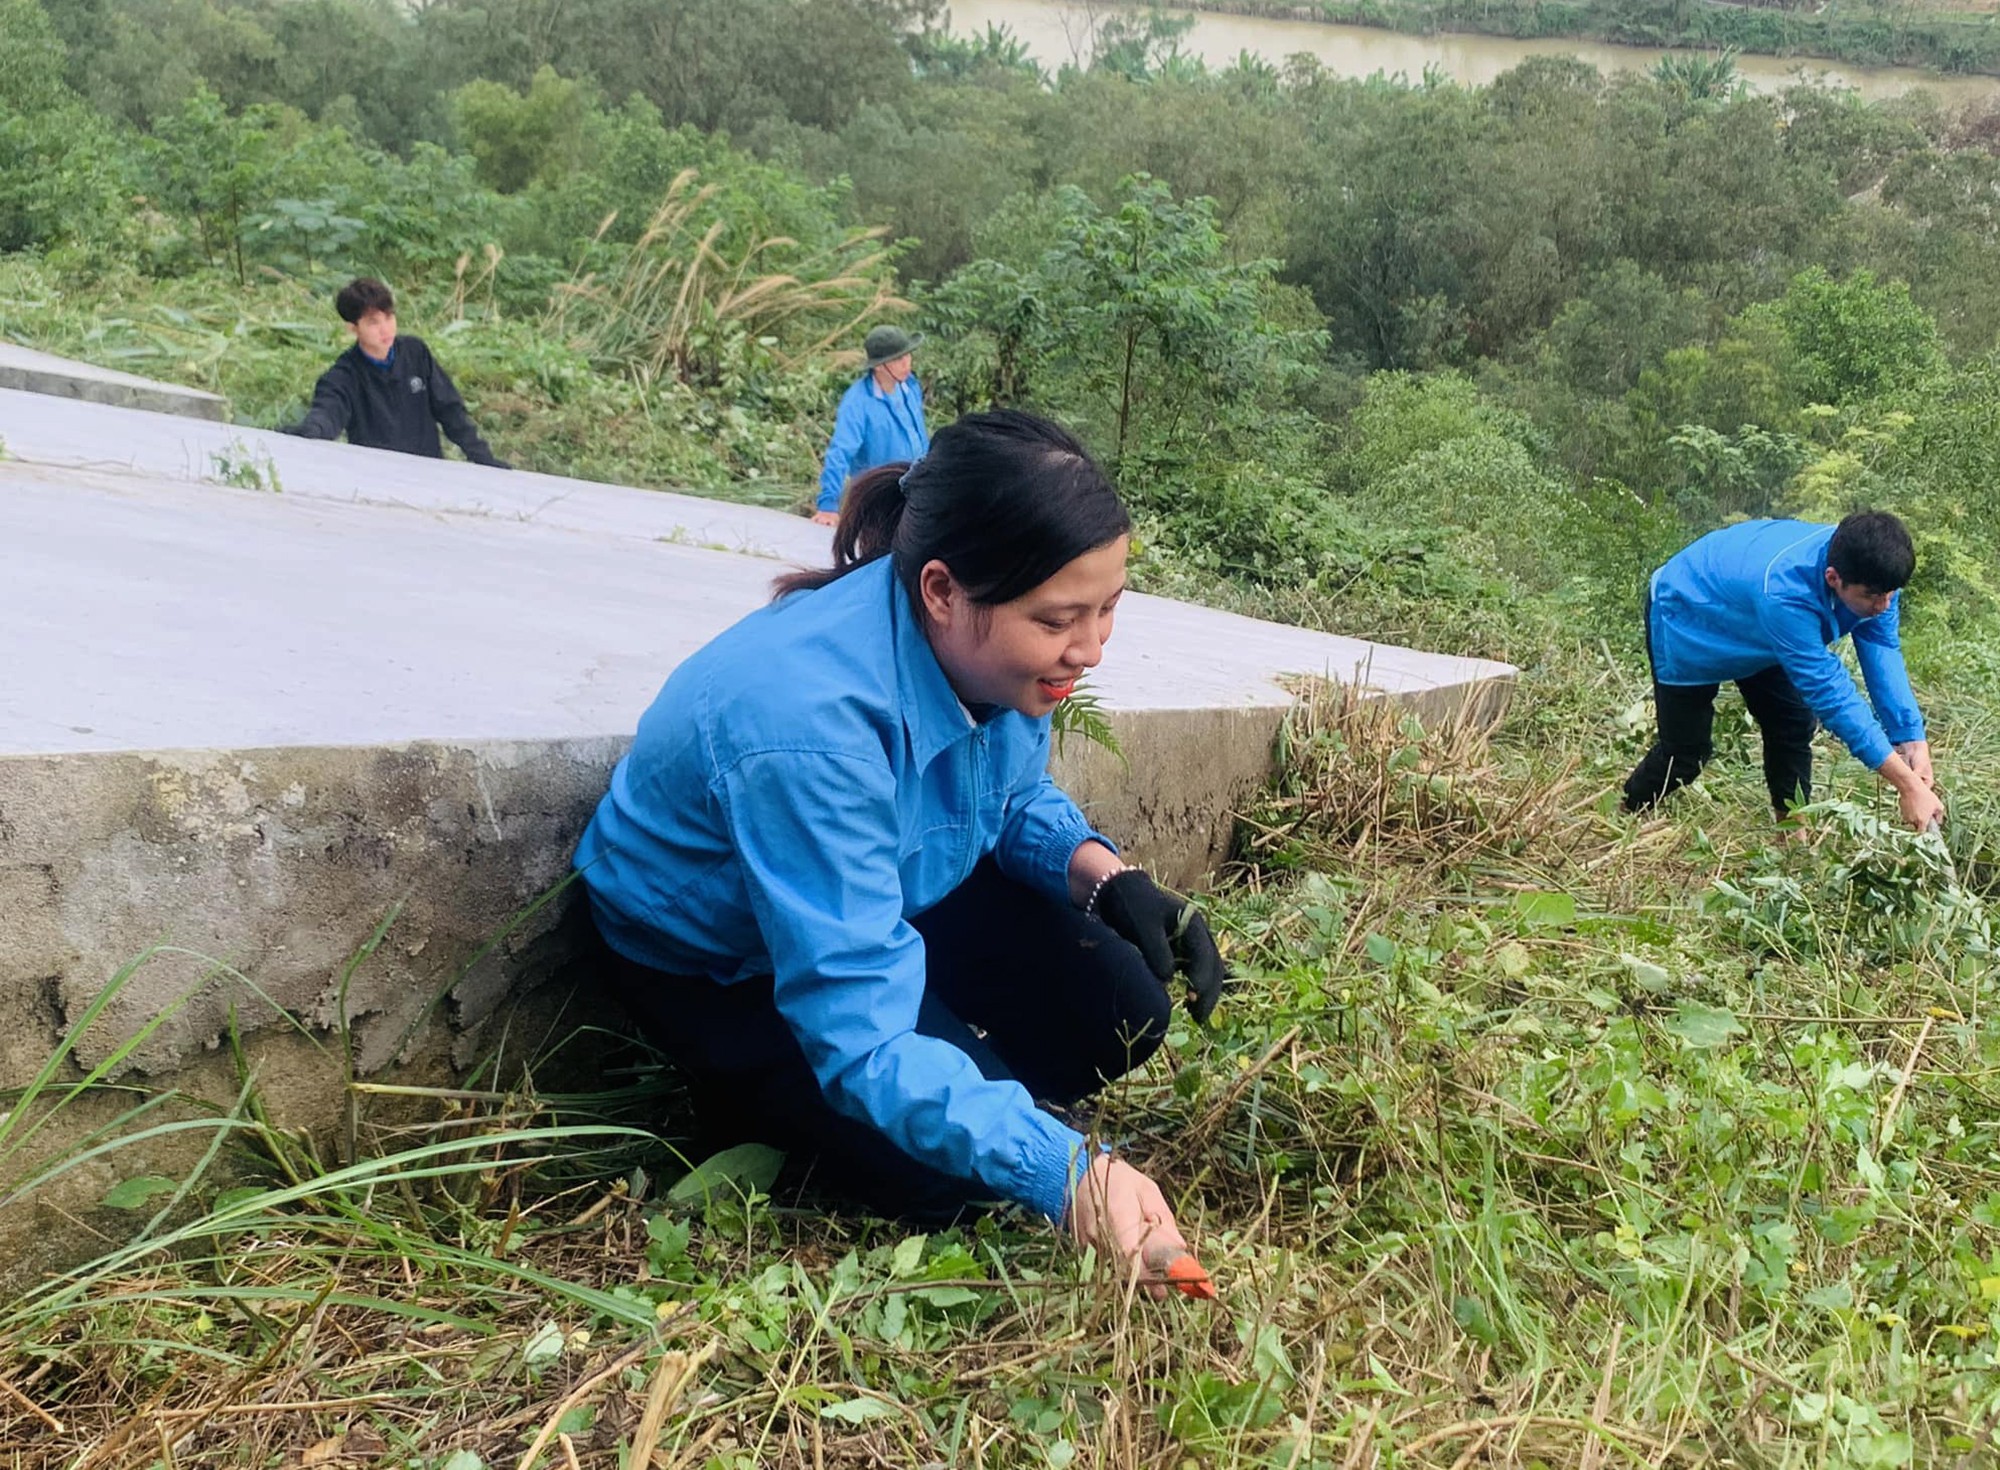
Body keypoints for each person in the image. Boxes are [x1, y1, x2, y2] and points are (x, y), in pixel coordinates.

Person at [576, 409, 1227, 1291]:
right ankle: (761, 1098)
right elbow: (862, 1031)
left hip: (891, 878)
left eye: (1109, 609)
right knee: (954, 1185)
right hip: (731, 958)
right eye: (1060, 619)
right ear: (942, 592)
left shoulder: (987, 658)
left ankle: (953, 1083)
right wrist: (1064, 1169)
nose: (1091, 649)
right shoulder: (808, 728)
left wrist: (1106, 880)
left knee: (1124, 1011)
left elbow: (1009, 794)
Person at [1622, 511, 1943, 832]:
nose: (1884, 605)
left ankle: (1791, 838)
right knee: (1686, 755)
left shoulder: (1874, 572)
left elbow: (1882, 650)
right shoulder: (1785, 592)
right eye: (1873, 596)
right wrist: (1907, 785)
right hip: (1690, 617)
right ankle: (1628, 809)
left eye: (1890, 594)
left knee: (1792, 724)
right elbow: (1832, 695)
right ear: (1833, 578)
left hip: (1760, 625)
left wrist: (1912, 738)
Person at [281, 277, 510, 468]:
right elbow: (328, 413)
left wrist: (483, 458)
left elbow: (451, 411)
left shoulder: (415, 353)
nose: (385, 329)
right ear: (353, 328)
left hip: (429, 471)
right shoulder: (342, 376)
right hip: (377, 479)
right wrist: (309, 432)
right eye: (373, 322)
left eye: (389, 317)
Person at [813, 324, 929, 527]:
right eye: (897, 359)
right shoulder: (858, 401)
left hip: (916, 491)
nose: (906, 363)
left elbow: (919, 436)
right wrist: (828, 504)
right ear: (879, 365)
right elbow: (841, 450)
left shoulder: (910, 387)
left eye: (908, 355)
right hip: (879, 497)